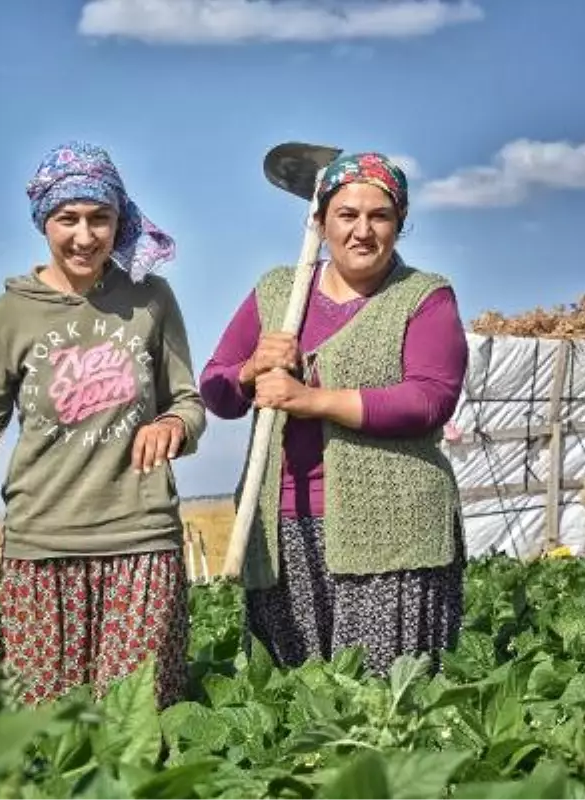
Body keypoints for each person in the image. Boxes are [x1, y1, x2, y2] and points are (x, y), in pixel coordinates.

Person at [0, 140, 207, 708]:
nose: (85, 236)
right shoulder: (11, 315)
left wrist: (175, 423)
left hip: (141, 541)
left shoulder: (150, 299)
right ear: (43, 223)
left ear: (119, 219)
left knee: (136, 730)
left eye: (99, 218)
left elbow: (189, 401)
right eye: (67, 219)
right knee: (45, 737)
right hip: (40, 549)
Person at [199, 152, 469, 677]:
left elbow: (430, 398)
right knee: (295, 697)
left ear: (400, 223)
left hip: (394, 530)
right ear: (320, 223)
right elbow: (216, 391)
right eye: (346, 215)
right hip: (282, 527)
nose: (362, 231)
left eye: (379, 216)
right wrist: (252, 368)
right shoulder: (279, 291)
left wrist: (312, 399)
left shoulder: (423, 296)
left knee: (381, 698)